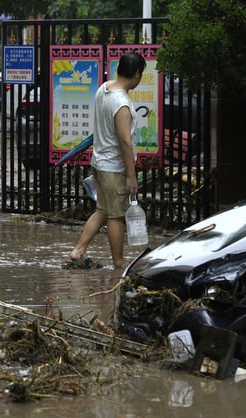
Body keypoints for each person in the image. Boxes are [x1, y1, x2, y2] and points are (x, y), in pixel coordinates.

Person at [69, 51, 146, 269]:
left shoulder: (103, 89)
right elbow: (124, 142)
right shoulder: (121, 103)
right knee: (116, 216)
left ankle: (78, 250)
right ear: (137, 74)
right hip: (113, 167)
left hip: (99, 163)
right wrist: (131, 176)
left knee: (103, 210)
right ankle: (119, 261)